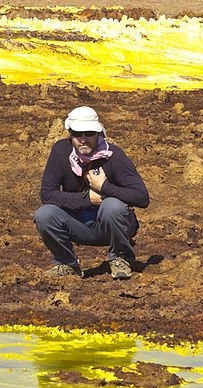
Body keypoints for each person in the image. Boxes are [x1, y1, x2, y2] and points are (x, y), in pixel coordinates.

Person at [34, 106, 150, 280]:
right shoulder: (60, 151)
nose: (83, 139)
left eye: (88, 133)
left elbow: (142, 197)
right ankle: (66, 263)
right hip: (79, 225)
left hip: (113, 225)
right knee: (45, 214)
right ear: (70, 134)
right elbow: (47, 195)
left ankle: (120, 257)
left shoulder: (114, 156)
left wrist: (105, 188)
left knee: (113, 206)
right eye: (77, 134)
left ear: (98, 133)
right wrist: (87, 199)